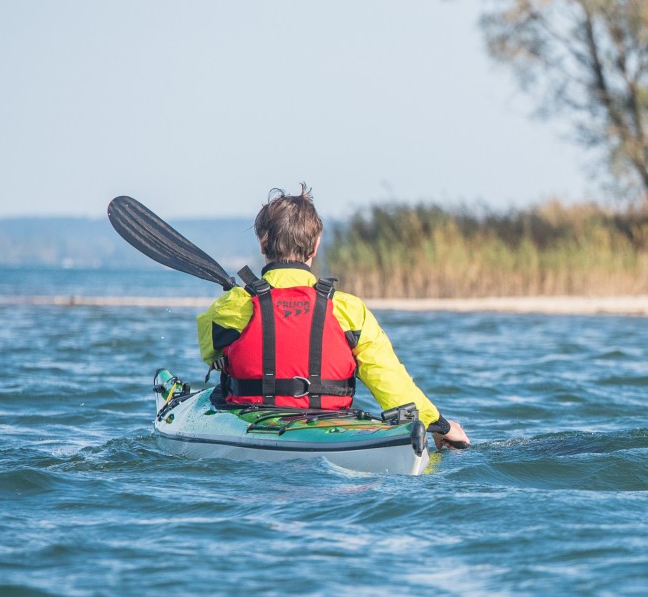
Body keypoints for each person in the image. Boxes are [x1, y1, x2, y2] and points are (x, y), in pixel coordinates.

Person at [196, 185, 470, 449]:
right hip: (331, 426)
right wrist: (439, 426)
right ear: (316, 245)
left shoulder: (233, 306)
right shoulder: (349, 310)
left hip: (251, 421)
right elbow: (388, 379)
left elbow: (211, 354)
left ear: (262, 242)